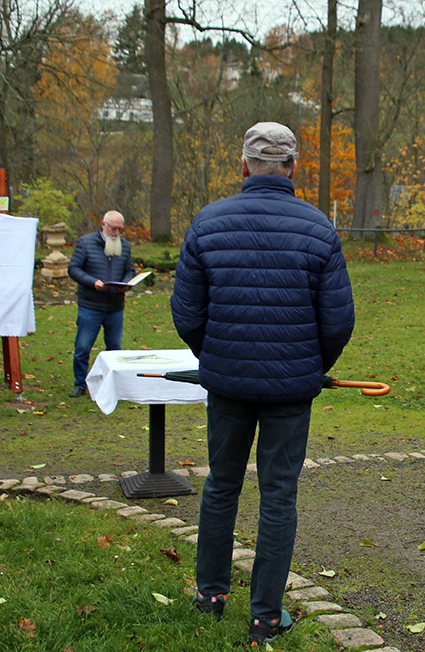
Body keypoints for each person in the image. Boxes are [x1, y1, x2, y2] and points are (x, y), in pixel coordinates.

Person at [170, 121, 355, 646]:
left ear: (245, 166)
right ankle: (265, 617)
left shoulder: (208, 222)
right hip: (289, 390)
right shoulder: (318, 227)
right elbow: (338, 320)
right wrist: (310, 365)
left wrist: (217, 355)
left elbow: (186, 312)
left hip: (231, 384)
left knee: (221, 486)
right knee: (277, 495)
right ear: (293, 168)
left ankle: (210, 595)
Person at [67, 210, 134, 398]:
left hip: (115, 306)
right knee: (83, 347)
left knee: (114, 349)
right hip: (91, 305)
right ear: (104, 224)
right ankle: (80, 384)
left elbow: (130, 270)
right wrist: (92, 282)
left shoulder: (125, 247)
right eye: (113, 228)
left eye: (120, 229)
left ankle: (112, 385)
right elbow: (73, 269)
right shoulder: (85, 243)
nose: (116, 232)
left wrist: (127, 283)